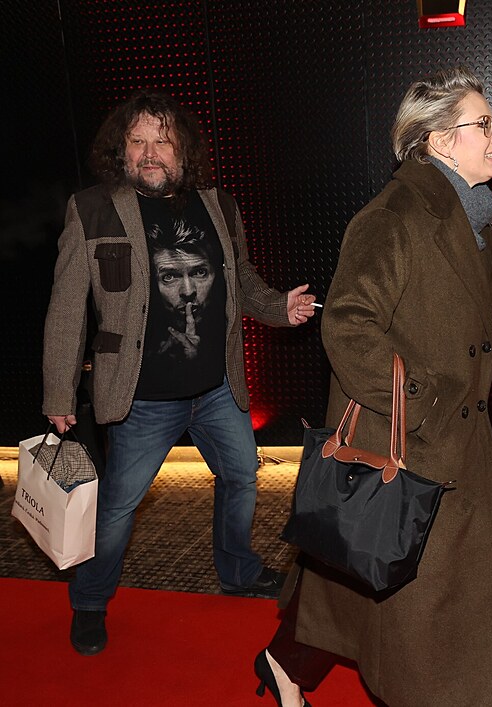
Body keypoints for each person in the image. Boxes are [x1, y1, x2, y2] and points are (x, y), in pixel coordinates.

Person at [254, 66, 492, 706]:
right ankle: (295, 663)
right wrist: (423, 404)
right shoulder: (393, 217)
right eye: (484, 124)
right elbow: (348, 326)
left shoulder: (476, 225)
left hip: (460, 444)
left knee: (460, 581)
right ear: (440, 141)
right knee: (401, 595)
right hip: (408, 445)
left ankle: (287, 661)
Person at [42, 90, 316, 656]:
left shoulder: (219, 206)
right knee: (117, 509)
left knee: (241, 478)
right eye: (137, 141)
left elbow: (241, 280)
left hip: (217, 390)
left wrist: (278, 307)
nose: (149, 153)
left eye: (161, 142)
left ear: (183, 151)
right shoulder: (91, 209)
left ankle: (237, 570)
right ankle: (90, 602)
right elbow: (67, 308)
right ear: (121, 150)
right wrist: (58, 391)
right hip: (142, 398)